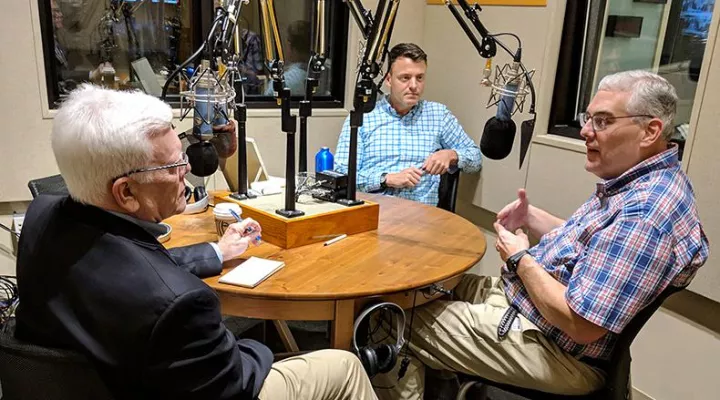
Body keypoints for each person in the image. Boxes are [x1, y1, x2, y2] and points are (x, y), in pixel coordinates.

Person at [14, 84, 378, 400]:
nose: (187, 170)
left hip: (103, 383)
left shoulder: (42, 216)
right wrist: (259, 347)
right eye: (173, 166)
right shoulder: (180, 304)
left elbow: (129, 266)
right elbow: (235, 381)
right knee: (342, 364)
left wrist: (218, 251)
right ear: (125, 192)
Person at [372, 70, 709, 399]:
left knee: (390, 318)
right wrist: (534, 218)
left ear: (650, 131)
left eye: (602, 121)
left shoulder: (646, 214)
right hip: (529, 306)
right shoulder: (643, 184)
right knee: (420, 290)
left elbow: (582, 325)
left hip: (556, 349)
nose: (586, 132)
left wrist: (521, 259)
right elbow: (597, 245)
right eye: (587, 118)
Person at [334, 43, 482, 206]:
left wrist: (452, 155)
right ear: (389, 80)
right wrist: (386, 179)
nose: (413, 86)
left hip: (422, 218)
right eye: (405, 78)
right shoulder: (363, 118)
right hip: (374, 215)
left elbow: (475, 158)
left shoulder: (438, 115)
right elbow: (342, 177)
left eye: (419, 78)